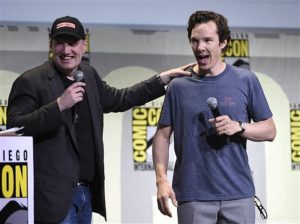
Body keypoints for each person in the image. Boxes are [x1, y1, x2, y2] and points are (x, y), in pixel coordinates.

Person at [6, 15, 192, 224]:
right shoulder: (31, 81)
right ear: (51, 44)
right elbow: (15, 127)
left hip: (86, 194)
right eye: (60, 43)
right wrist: (58, 106)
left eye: (73, 43)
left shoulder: (89, 76)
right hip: (52, 199)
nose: (66, 50)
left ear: (83, 45)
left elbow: (121, 99)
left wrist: (162, 79)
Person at [152, 10, 276, 224]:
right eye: (195, 41)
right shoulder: (178, 86)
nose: (200, 47)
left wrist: (240, 126)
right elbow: (162, 137)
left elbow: (270, 130)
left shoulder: (246, 80)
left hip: (238, 194)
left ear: (223, 43)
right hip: (193, 196)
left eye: (208, 40)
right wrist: (161, 180)